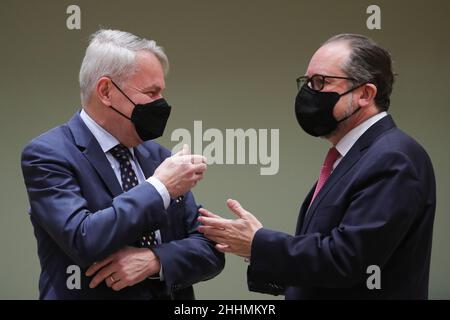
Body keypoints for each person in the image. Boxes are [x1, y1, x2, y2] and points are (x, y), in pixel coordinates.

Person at [198, 34, 436, 299]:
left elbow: (347, 260)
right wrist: (255, 246)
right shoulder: (350, 157)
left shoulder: (393, 157)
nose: (308, 92)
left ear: (365, 94)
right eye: (307, 81)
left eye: (321, 82)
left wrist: (259, 244)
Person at [21, 29, 224, 299]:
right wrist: (160, 187)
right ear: (106, 91)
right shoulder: (48, 155)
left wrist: (155, 260)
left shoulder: (160, 157)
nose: (160, 103)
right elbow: (83, 238)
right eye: (151, 92)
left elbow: (209, 250)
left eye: (161, 92)